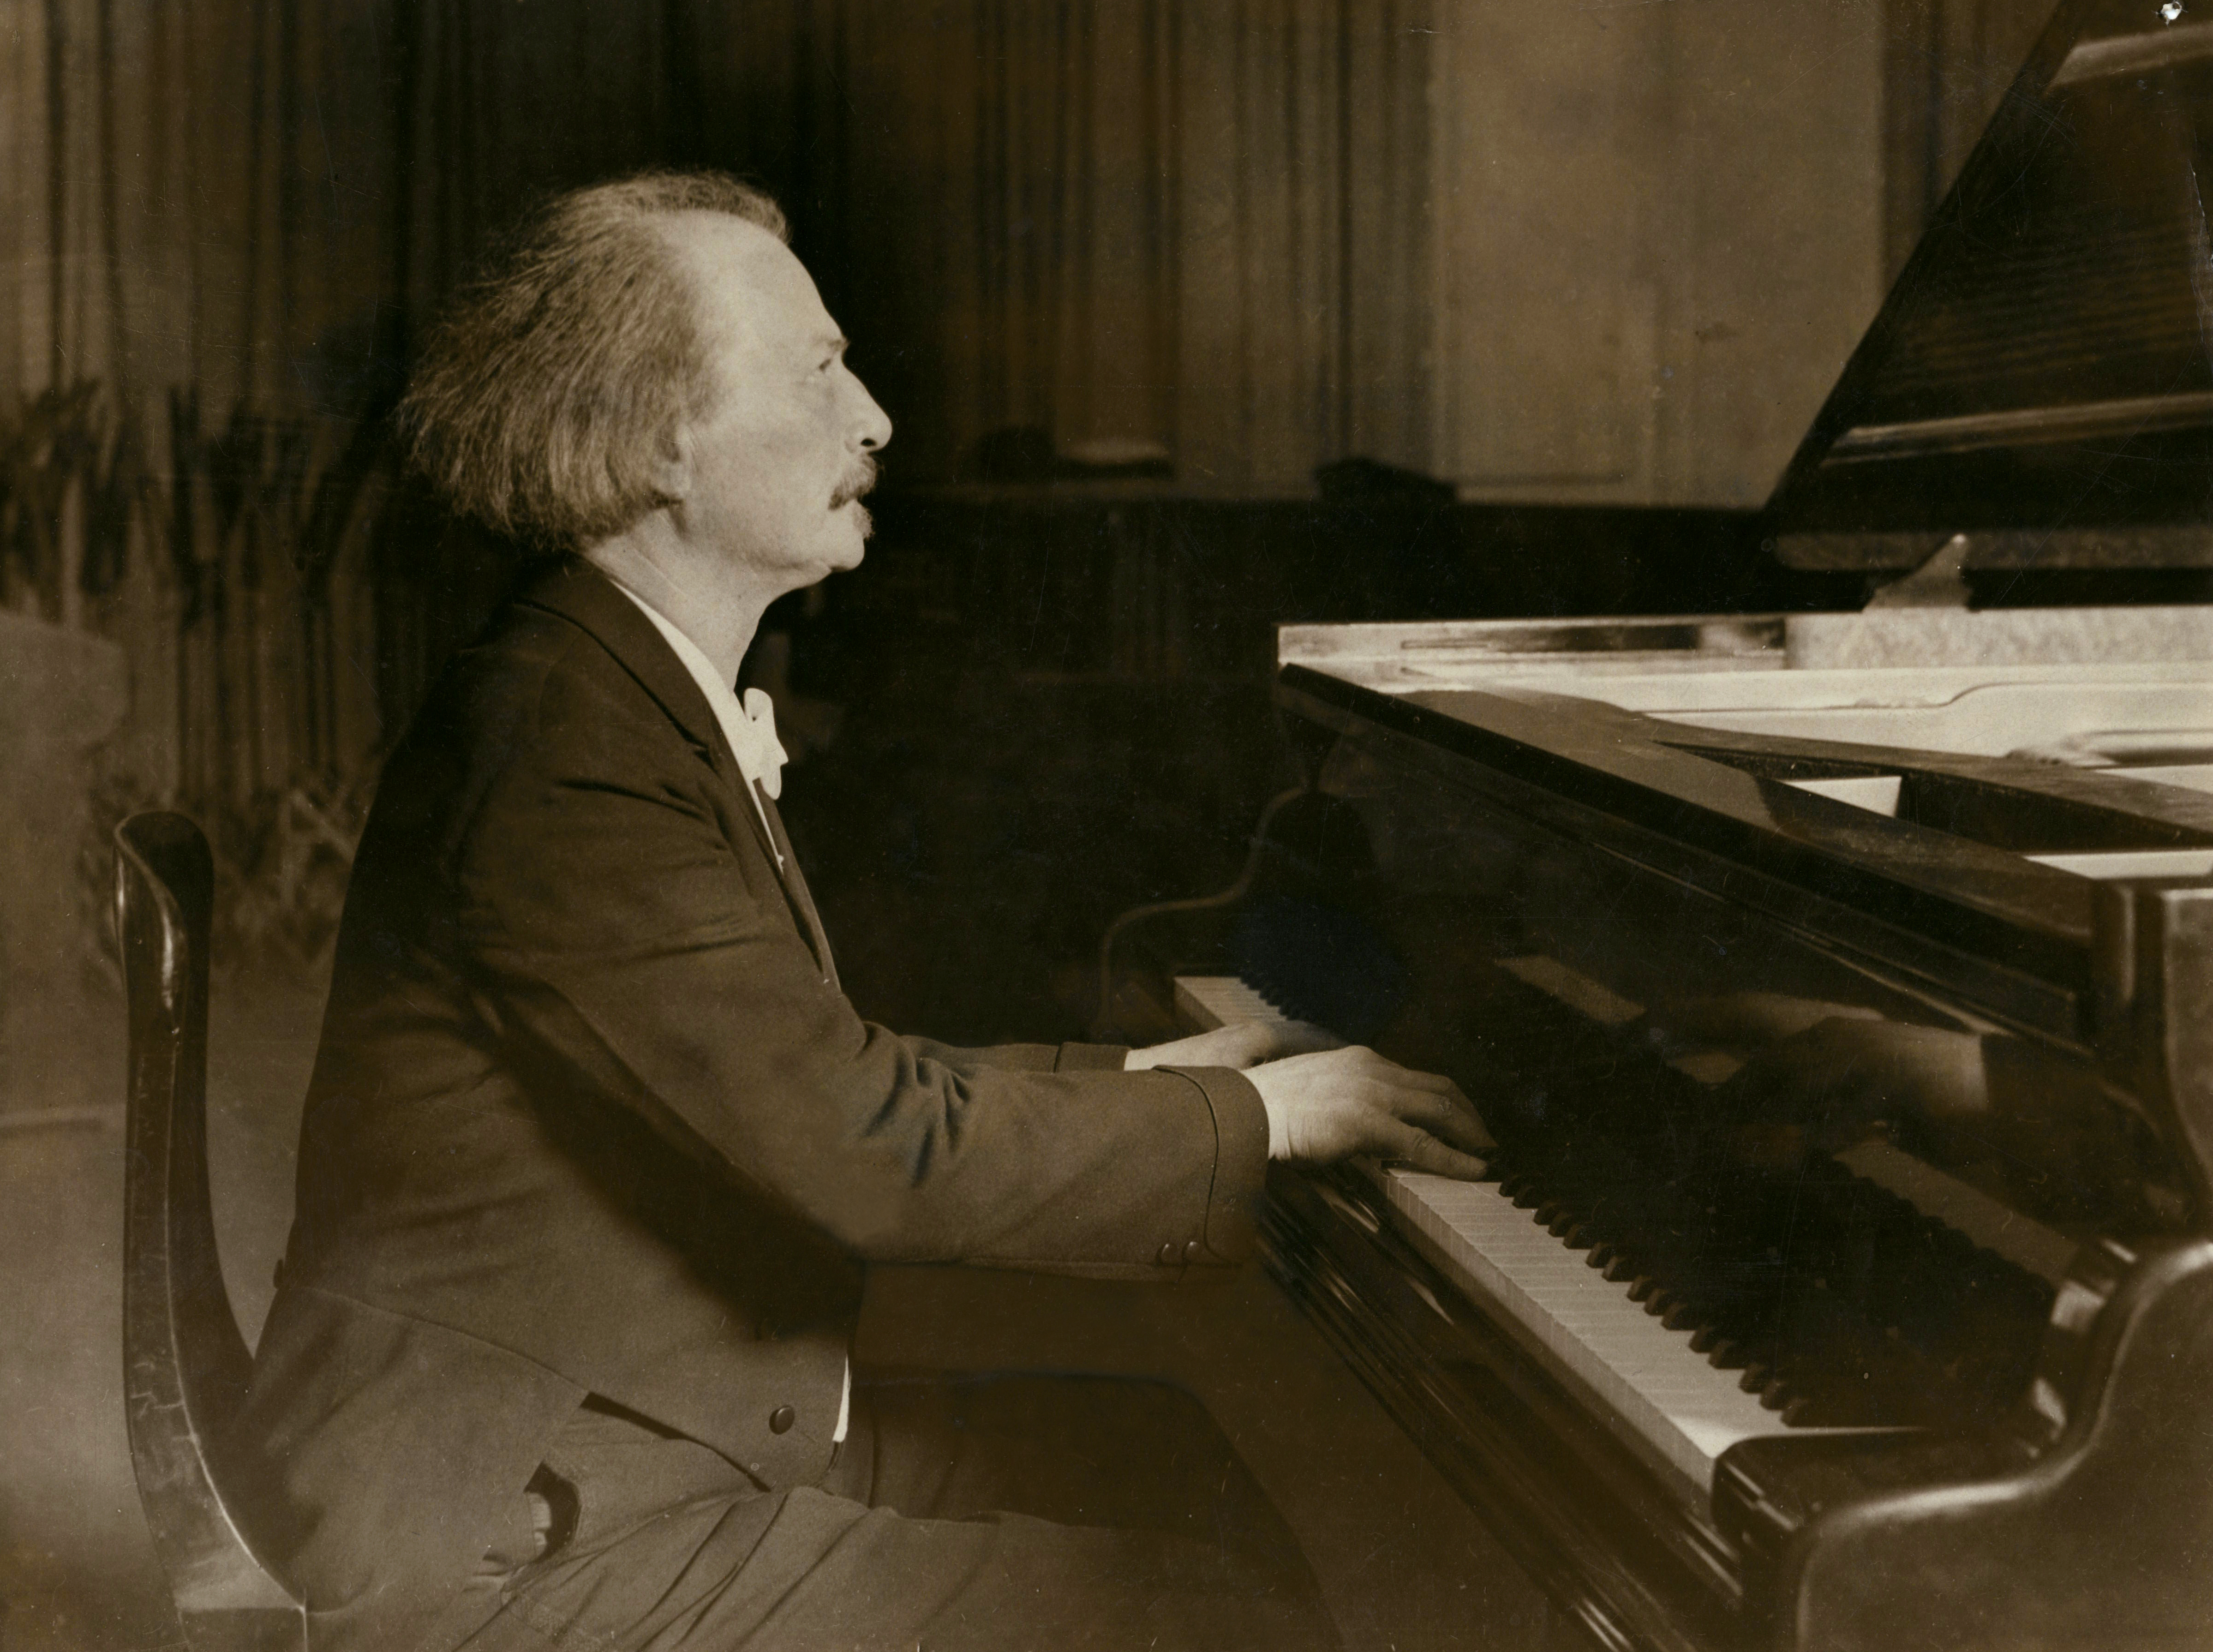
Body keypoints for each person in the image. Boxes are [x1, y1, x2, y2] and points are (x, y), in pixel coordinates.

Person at [229, 170, 1490, 1652]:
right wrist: (1270, 1123)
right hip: (508, 1525)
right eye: (818, 370)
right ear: (658, 441)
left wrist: (1160, 1077)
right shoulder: (567, 745)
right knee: (1197, 1614)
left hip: (608, 1425)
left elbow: (815, 1073)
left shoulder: (612, 685)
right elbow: (857, 1153)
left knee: (1176, 1462)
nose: (875, 416)